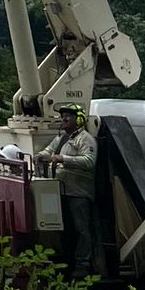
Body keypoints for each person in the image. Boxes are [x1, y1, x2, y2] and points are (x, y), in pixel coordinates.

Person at [50, 104, 101, 277]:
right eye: (62, 116)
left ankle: (83, 265)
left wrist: (63, 159)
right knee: (65, 229)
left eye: (68, 116)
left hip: (79, 193)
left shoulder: (85, 139)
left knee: (81, 230)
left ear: (78, 120)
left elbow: (89, 161)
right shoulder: (63, 138)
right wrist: (40, 156)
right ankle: (68, 262)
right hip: (62, 191)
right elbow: (50, 151)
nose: (63, 119)